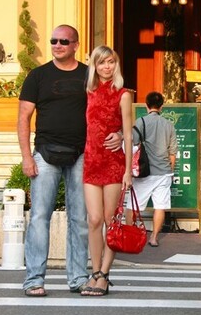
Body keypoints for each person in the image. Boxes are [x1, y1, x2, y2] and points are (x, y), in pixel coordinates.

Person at [18, 25, 122, 297]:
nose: (57, 44)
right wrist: (27, 157)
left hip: (81, 155)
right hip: (44, 154)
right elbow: (23, 118)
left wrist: (122, 133)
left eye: (64, 41)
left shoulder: (88, 75)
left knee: (80, 218)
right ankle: (34, 280)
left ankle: (78, 277)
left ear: (76, 45)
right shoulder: (37, 76)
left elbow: (112, 106)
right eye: (53, 40)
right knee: (40, 216)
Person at [80, 45, 133, 296]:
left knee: (111, 222)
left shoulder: (123, 94)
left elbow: (129, 134)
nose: (106, 67)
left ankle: (104, 274)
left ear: (116, 64)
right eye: (101, 63)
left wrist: (128, 171)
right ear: (94, 65)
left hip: (113, 162)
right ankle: (94, 271)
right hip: (91, 161)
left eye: (111, 62)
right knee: (93, 220)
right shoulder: (88, 92)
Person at [126, 91, 178, 247]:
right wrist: (171, 171)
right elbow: (173, 152)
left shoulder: (140, 122)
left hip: (144, 172)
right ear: (161, 106)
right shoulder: (169, 125)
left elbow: (132, 143)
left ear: (145, 105)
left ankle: (130, 236)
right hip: (164, 172)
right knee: (160, 206)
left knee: (132, 206)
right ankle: (154, 237)